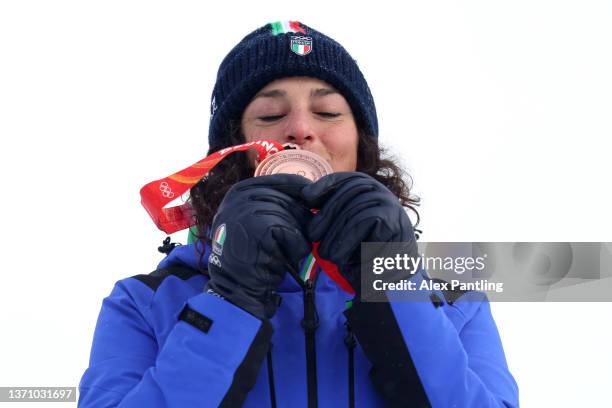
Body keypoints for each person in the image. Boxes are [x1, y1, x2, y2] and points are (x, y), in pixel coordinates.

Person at [78, 21, 519, 407]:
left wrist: (392, 284)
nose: (301, 129)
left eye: (327, 111)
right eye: (271, 114)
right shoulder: (143, 302)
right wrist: (231, 298)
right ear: (232, 152)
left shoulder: (457, 303)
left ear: (362, 146)